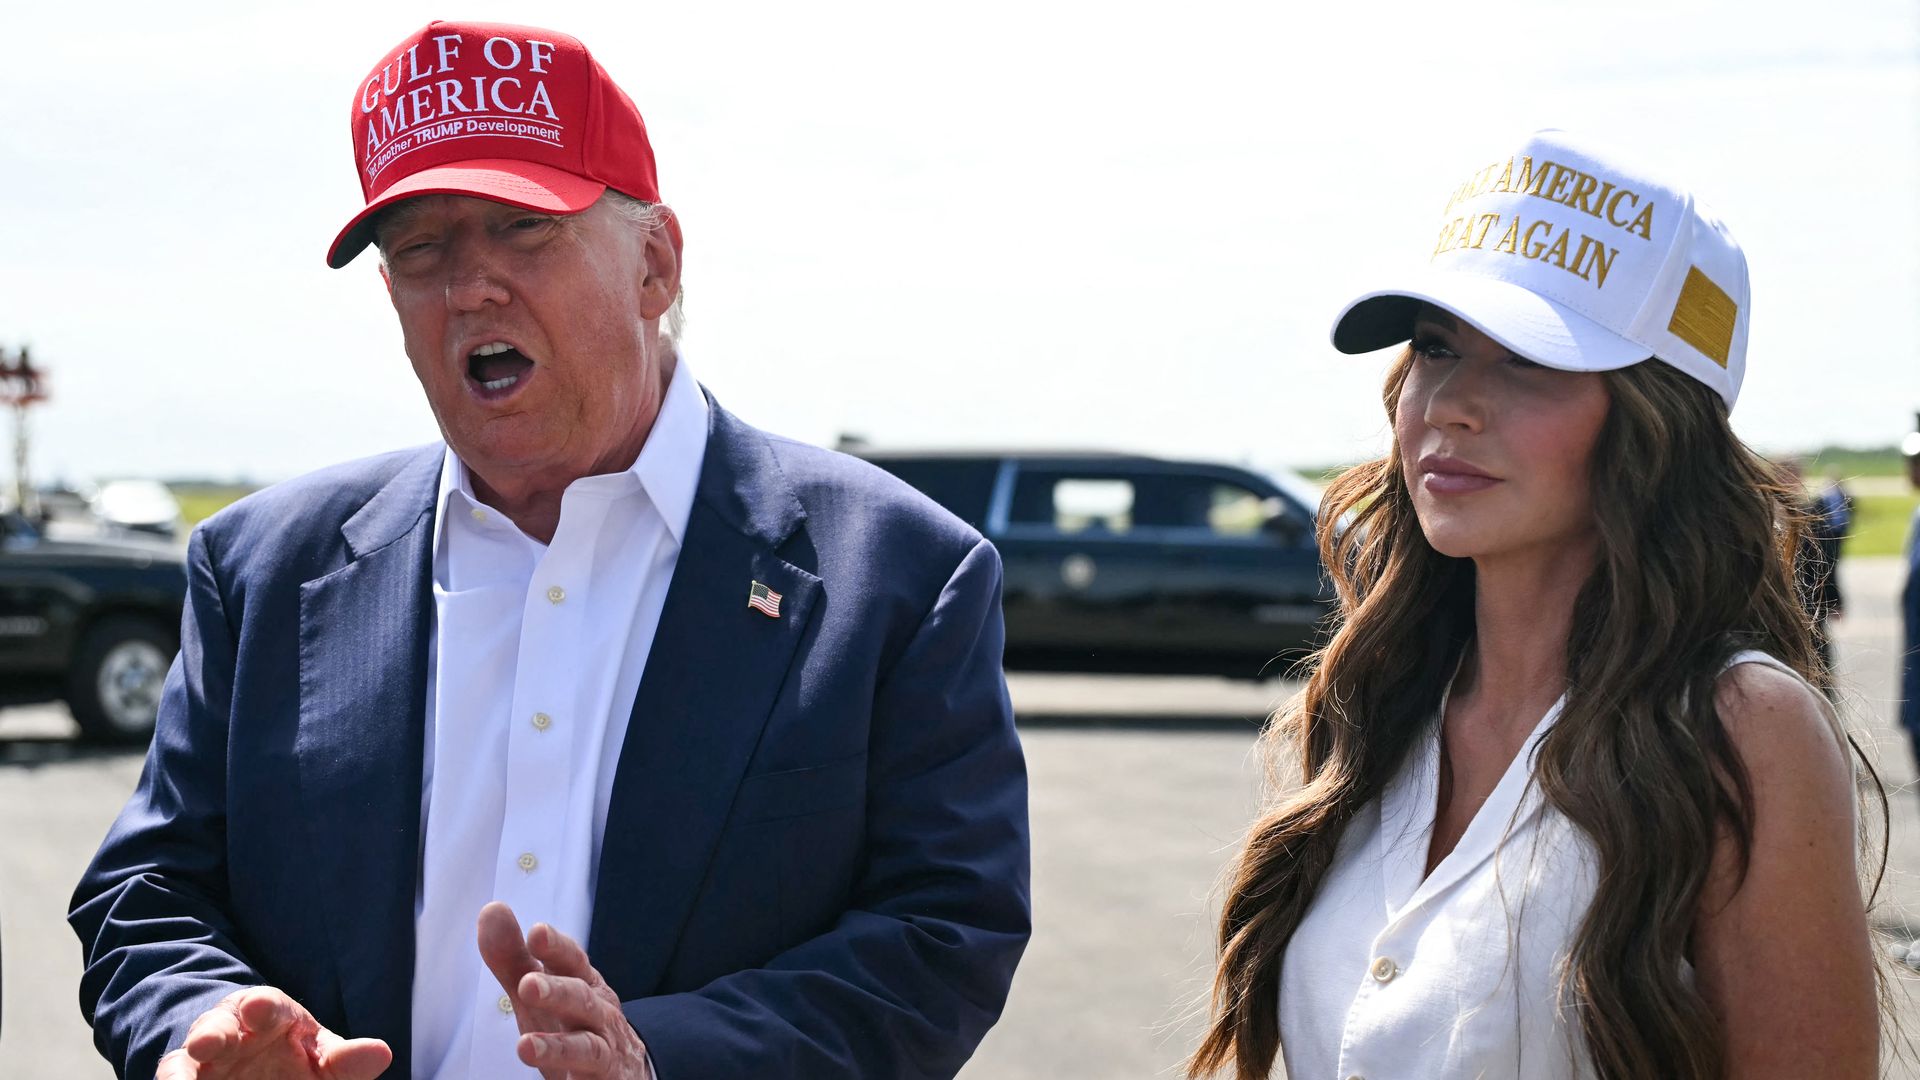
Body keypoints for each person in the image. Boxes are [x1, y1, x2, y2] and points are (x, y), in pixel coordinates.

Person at [69, 20, 1029, 1080]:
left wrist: (659, 1059)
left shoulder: (893, 576)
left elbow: (945, 934)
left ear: (655, 264)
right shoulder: (262, 569)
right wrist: (200, 1020)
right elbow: (146, 892)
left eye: (522, 229)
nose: (470, 287)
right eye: (423, 249)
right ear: (391, 297)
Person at [1188, 130, 1880, 1080]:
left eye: (1528, 360)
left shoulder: (1741, 727)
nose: (1452, 404)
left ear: (1656, 419)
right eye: (1435, 349)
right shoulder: (1374, 702)